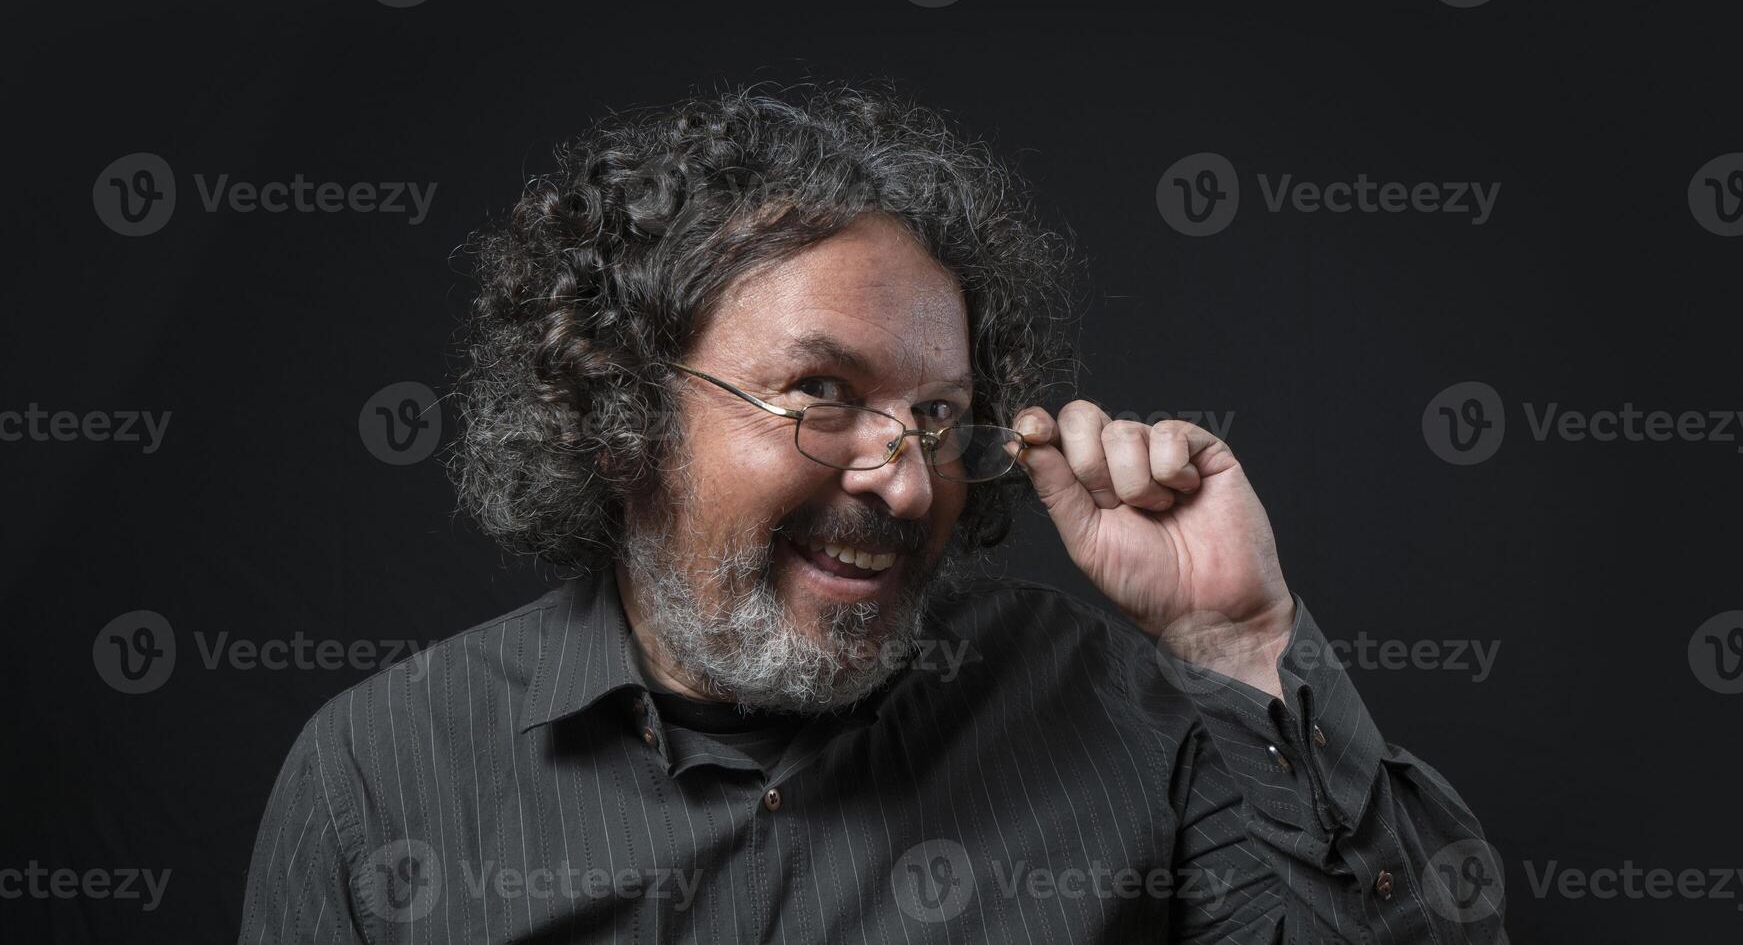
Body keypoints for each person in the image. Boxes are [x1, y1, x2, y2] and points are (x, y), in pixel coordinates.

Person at [238, 84, 1506, 943]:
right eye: (822, 393)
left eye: (940, 416)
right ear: (624, 410)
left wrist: (1241, 645)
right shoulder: (376, 783)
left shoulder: (1123, 714)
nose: (904, 480)